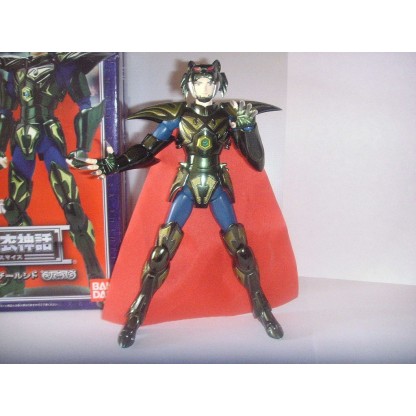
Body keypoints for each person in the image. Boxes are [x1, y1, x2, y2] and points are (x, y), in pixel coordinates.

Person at [78, 60, 294, 348]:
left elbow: (256, 161)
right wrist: (114, 164)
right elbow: (147, 148)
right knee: (161, 252)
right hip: (188, 184)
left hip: (217, 185)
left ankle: (263, 309)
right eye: (199, 82)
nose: (204, 87)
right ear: (189, 85)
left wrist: (248, 127)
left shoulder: (228, 115)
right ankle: (136, 314)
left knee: (242, 250)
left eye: (209, 83)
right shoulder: (176, 116)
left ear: (218, 85)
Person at [0, 52, 111, 297]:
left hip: (49, 136)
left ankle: (95, 272)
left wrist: (82, 148)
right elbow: (5, 111)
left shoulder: (63, 66)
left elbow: (85, 106)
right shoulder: (15, 68)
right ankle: (16, 279)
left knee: (70, 203)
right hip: (22, 136)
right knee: (14, 208)